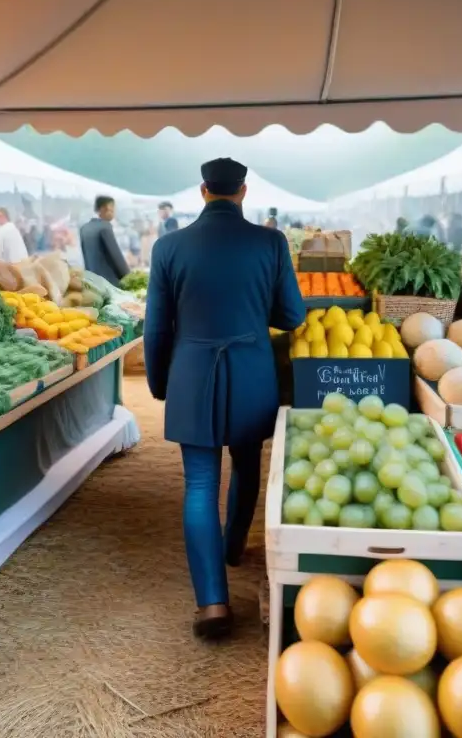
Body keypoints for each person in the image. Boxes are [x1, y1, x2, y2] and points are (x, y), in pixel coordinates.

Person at [144, 158, 305, 639]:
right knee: (249, 464)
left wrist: (159, 383)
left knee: (198, 484)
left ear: (203, 191)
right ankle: (234, 545)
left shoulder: (168, 246)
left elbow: (156, 327)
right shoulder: (271, 242)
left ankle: (212, 602)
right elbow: (293, 315)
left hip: (192, 374)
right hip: (252, 369)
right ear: (243, 192)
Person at [79, 195, 130, 286]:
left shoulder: (84, 228)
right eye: (112, 210)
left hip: (92, 281)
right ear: (103, 209)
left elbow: (85, 256)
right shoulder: (105, 227)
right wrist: (128, 277)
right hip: (109, 282)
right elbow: (115, 256)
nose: (113, 214)